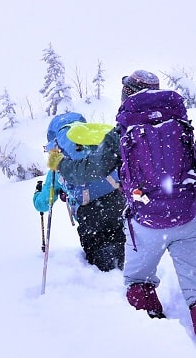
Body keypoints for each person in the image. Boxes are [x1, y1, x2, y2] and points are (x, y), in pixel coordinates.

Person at [114, 70, 196, 343]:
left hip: (147, 220)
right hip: (186, 214)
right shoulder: (177, 117)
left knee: (138, 280)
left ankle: (153, 338)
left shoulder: (125, 125)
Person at [35, 111, 127, 272]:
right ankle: (124, 275)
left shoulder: (59, 162)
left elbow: (44, 203)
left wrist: (37, 196)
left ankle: (106, 283)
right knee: (122, 244)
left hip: (89, 213)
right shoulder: (100, 144)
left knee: (98, 258)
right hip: (117, 202)